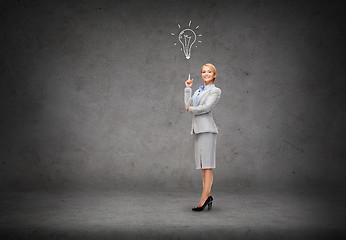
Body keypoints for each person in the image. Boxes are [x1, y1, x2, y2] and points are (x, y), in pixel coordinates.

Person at [184, 63, 221, 211]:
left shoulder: (215, 91)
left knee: (207, 165)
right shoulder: (199, 90)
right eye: (203, 72)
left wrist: (190, 109)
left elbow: (206, 108)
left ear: (214, 75)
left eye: (209, 72)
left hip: (207, 129)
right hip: (198, 130)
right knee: (202, 166)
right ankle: (208, 196)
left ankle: (204, 198)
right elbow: (187, 105)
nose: (206, 74)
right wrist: (188, 89)